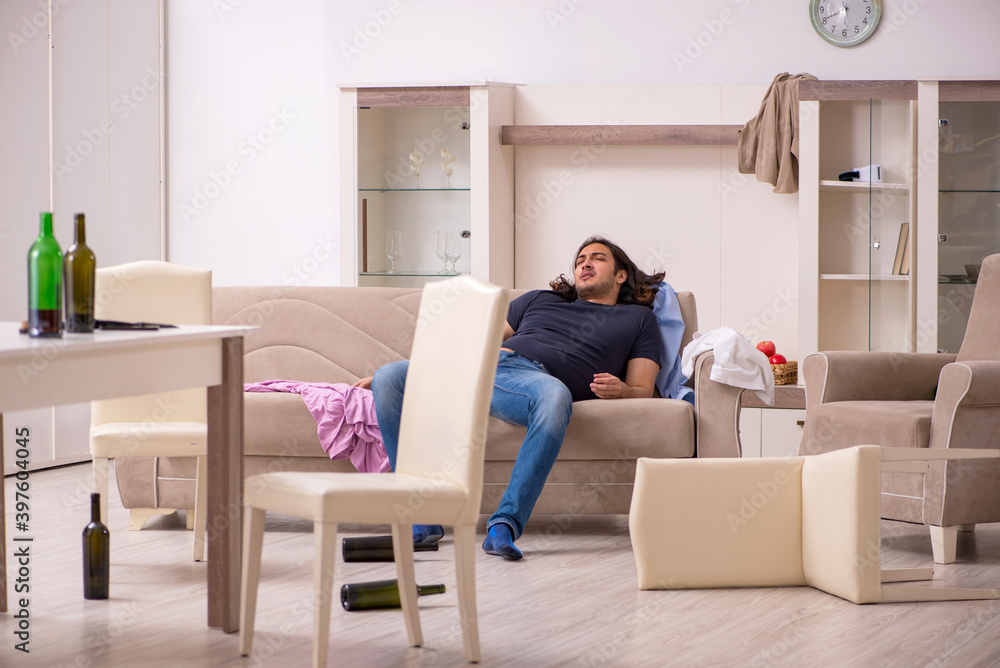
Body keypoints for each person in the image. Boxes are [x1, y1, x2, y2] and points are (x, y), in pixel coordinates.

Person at [357, 236, 665, 560]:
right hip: (478, 366)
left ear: (620, 275)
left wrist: (622, 390)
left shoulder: (638, 319)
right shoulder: (539, 300)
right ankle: (420, 515)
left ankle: (504, 524)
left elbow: (642, 388)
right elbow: (478, 340)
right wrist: (419, 370)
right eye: (580, 260)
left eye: (597, 258)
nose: (585, 263)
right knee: (388, 376)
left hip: (531, 379)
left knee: (555, 398)